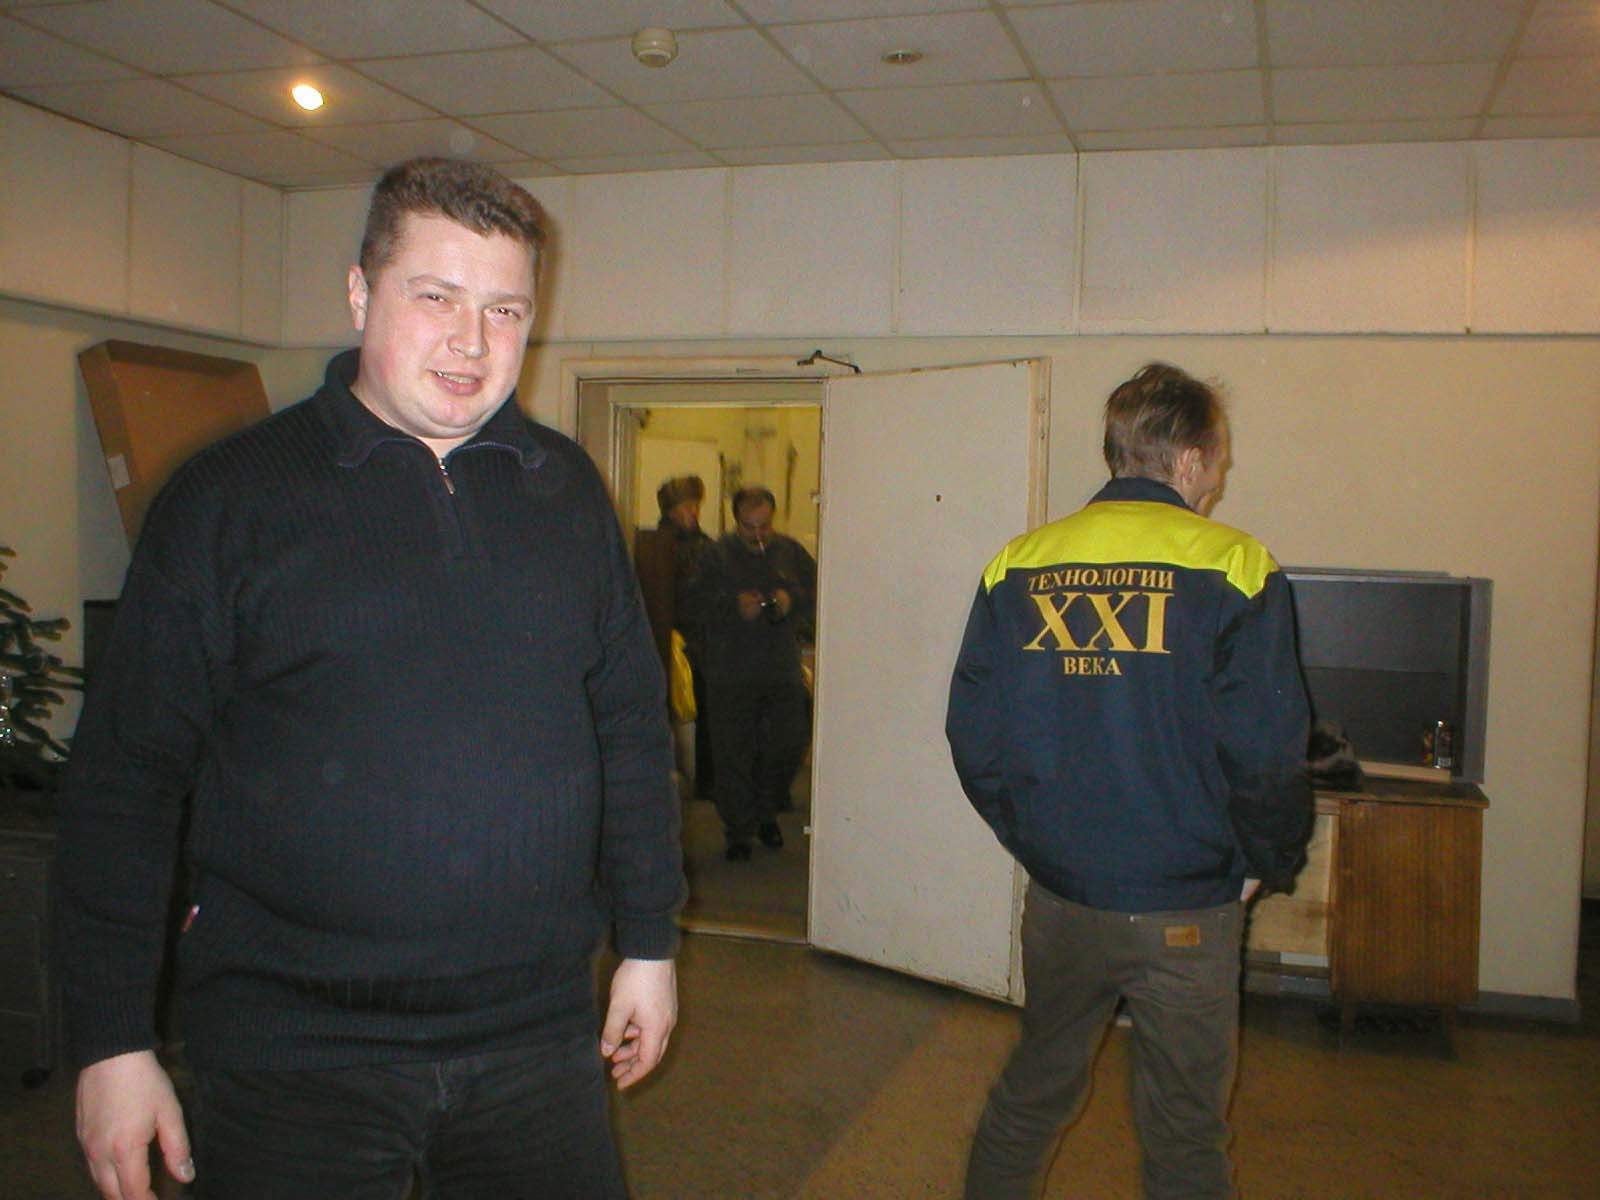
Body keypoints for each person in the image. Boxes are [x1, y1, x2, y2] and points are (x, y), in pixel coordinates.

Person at [55, 158, 684, 1200]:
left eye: (504, 310)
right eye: (435, 297)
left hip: (533, 1040)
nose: (472, 342)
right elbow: (126, 779)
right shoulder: (230, 501)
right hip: (294, 1054)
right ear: (359, 294)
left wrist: (649, 943)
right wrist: (111, 1038)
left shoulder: (566, 491)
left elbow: (627, 725)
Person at [946, 363, 1313, 1200]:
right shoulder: (1237, 566)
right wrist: (1265, 859)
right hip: (1188, 903)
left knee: (1032, 1092)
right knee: (1184, 1129)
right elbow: (1266, 751)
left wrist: (1036, 839)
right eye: (1217, 458)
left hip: (1063, 899)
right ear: (1186, 459)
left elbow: (974, 736)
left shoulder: (1018, 563)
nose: (1220, 475)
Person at [692, 485, 815, 861]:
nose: (759, 535)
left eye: (765, 526)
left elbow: (818, 593)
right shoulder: (714, 556)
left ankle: (766, 812)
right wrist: (732, 606)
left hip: (780, 670)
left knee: (789, 742)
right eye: (750, 527)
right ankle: (739, 830)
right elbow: (695, 604)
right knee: (733, 753)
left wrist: (791, 600)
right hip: (730, 672)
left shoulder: (790, 552)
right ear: (736, 522)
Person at [656, 475, 716, 796]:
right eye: (686, 506)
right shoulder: (658, 546)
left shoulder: (706, 545)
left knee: (708, 709)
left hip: (704, 640)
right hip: (673, 640)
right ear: (671, 510)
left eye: (695, 505)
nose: (693, 512)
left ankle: (707, 781)